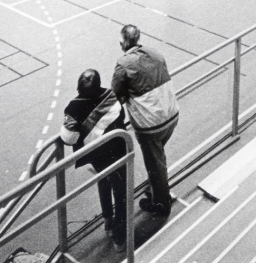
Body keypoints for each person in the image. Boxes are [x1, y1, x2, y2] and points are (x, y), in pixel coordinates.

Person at [111, 25, 179, 216]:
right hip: (171, 115)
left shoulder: (123, 64)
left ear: (123, 42)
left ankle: (161, 204)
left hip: (151, 125)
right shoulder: (155, 53)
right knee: (157, 157)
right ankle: (156, 188)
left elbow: (116, 94)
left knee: (155, 163)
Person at [60, 69, 130, 252]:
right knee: (120, 194)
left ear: (79, 87)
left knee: (103, 182)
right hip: (119, 150)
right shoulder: (111, 96)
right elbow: (121, 116)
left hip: (97, 156)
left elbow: (69, 138)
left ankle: (108, 221)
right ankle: (119, 239)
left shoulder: (73, 107)